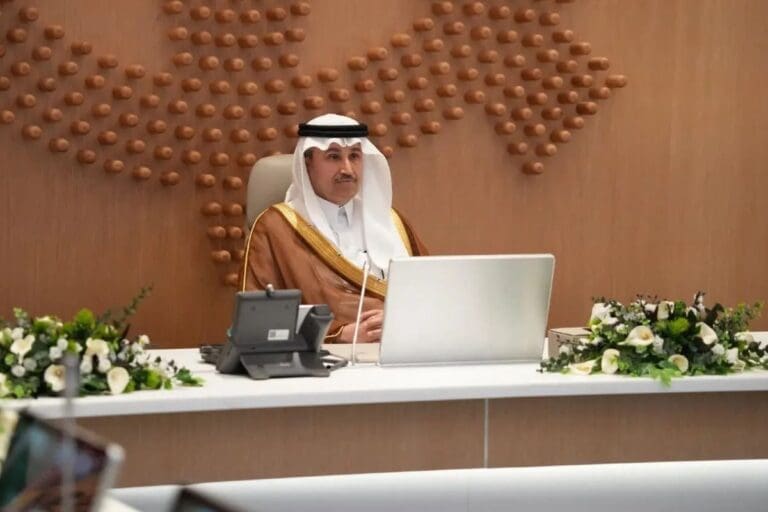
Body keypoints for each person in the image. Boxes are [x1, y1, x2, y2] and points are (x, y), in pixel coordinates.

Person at [240, 113, 428, 343]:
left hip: (403, 349)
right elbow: (257, 321)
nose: (347, 169)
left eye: (354, 156)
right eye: (333, 157)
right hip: (325, 358)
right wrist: (337, 335)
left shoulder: (391, 221)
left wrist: (402, 321)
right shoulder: (275, 228)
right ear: (307, 164)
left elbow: (432, 294)